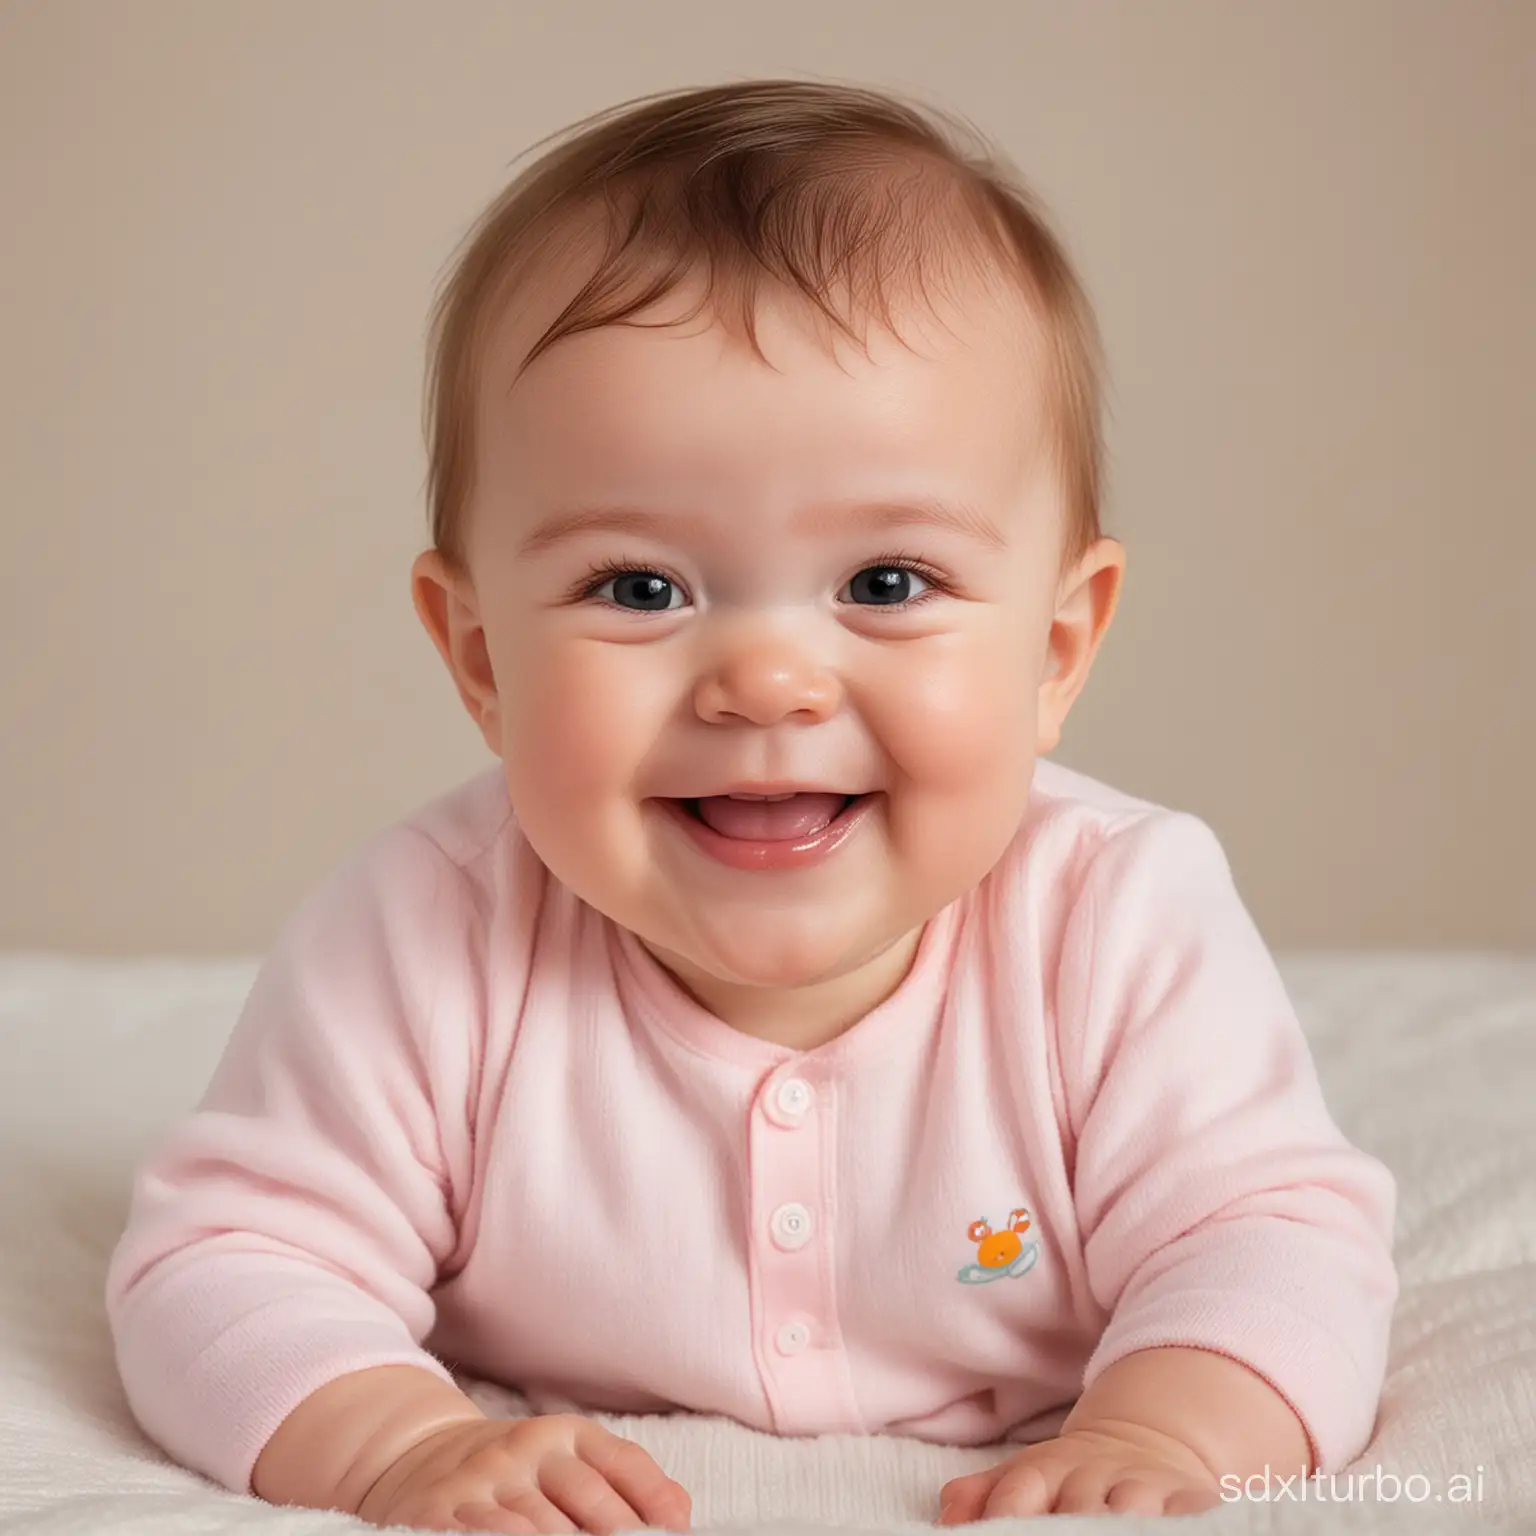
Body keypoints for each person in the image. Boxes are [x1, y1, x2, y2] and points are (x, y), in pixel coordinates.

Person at [104, 78, 1397, 1531]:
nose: (769, 681)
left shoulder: (1118, 919)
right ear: (480, 656)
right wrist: (397, 1442)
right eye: (639, 588)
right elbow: (223, 1265)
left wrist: (1169, 1431)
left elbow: (1275, 1243)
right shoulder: (427, 934)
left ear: (1054, 648)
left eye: (887, 584)